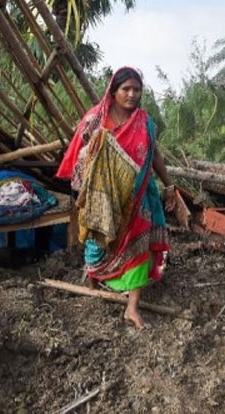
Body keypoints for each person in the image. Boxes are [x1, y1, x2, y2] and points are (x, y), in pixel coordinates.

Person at [57, 67, 175, 329]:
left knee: (138, 246)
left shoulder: (145, 123)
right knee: (97, 243)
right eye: (126, 89)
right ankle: (94, 281)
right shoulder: (95, 120)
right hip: (103, 197)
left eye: (137, 90)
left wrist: (169, 185)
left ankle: (131, 308)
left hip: (138, 198)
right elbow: (78, 155)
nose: (132, 95)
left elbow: (154, 156)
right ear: (114, 90)